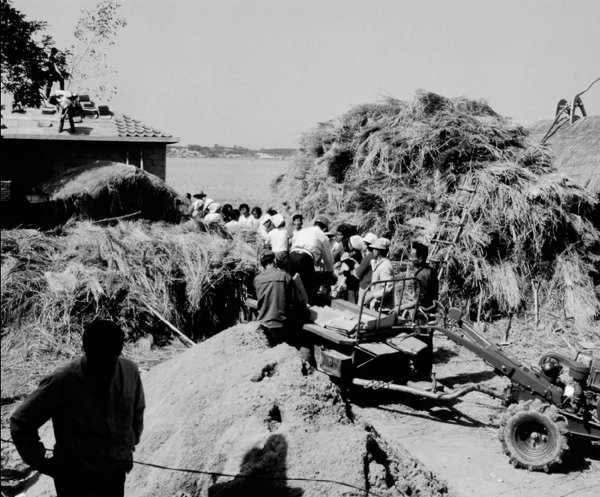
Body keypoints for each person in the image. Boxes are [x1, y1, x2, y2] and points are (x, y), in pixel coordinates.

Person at [10, 320, 145, 497]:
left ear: (119, 351)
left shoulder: (129, 371)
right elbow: (21, 421)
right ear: (87, 351)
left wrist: (127, 449)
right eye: (98, 361)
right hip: (75, 480)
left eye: (110, 362)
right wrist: (43, 463)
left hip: (114, 475)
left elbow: (137, 412)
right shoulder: (63, 381)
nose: (104, 369)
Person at [254, 250, 310, 360]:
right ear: (275, 260)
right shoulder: (285, 277)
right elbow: (297, 303)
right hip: (280, 326)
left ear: (262, 264)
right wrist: (306, 310)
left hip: (262, 324)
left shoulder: (257, 279)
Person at [399, 241, 439, 379]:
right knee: (427, 344)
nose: (410, 260)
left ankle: (421, 374)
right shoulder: (431, 271)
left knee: (420, 343)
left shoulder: (421, 276)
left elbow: (419, 301)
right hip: (431, 313)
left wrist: (402, 307)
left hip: (423, 315)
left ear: (420, 259)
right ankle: (425, 372)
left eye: (412, 257)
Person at [288, 215, 336, 304]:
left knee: (294, 282)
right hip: (304, 258)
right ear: (325, 229)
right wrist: (330, 272)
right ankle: (308, 306)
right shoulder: (323, 236)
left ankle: (293, 304)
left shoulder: (304, 230)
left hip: (291, 255)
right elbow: (328, 258)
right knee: (308, 285)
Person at [362, 238, 395, 312]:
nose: (373, 251)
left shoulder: (385, 266)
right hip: (378, 306)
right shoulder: (378, 263)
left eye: (374, 249)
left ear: (378, 251)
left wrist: (373, 296)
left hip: (383, 308)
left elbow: (388, 287)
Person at [356, 233, 378, 305]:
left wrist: (356, 268)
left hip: (365, 287)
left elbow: (358, 274)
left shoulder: (367, 258)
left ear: (366, 244)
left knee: (361, 307)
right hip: (374, 287)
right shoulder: (377, 257)